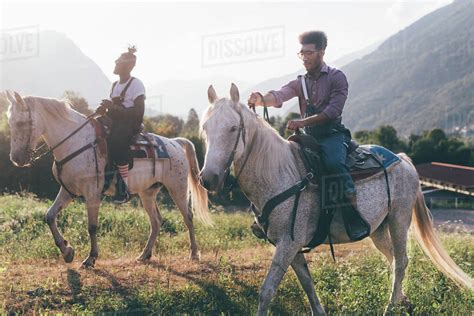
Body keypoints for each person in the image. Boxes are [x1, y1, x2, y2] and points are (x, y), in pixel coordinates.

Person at [247, 31, 369, 240]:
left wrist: (303, 122)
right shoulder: (300, 82)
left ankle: (352, 214)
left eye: (309, 53)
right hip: (308, 137)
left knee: (333, 163)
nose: (304, 57)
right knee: (282, 163)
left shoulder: (337, 77)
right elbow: (279, 95)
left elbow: (333, 111)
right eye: (301, 53)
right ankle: (272, 216)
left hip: (332, 136)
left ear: (321, 53)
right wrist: (260, 99)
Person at [96, 46, 146, 204]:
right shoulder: (114, 85)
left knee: (116, 141)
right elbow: (113, 110)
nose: (115, 63)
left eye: (118, 61)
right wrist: (103, 110)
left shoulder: (136, 85)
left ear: (126, 65)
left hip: (130, 125)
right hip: (115, 122)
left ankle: (123, 188)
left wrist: (114, 107)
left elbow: (139, 112)